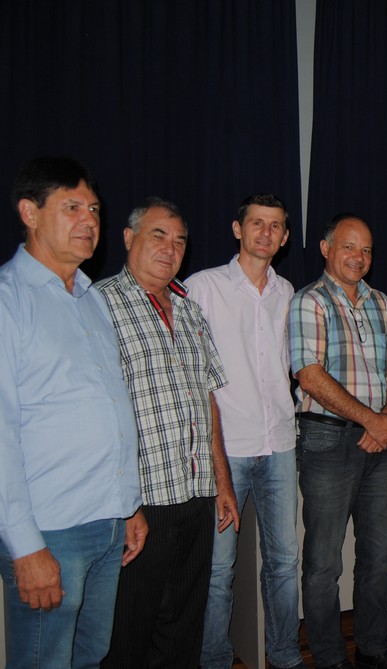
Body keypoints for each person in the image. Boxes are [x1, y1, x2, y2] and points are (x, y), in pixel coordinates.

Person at [0, 157, 146, 669]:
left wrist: (128, 506)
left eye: (95, 209)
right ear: (30, 213)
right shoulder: (8, 300)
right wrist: (25, 547)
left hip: (107, 521)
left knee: (91, 657)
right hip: (51, 530)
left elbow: (109, 406)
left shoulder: (90, 297)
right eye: (72, 207)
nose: (89, 220)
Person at [99, 197, 240, 668]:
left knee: (182, 627)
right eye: (158, 235)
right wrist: (121, 505)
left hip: (196, 495)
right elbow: (95, 414)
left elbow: (207, 401)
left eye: (180, 241)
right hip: (142, 502)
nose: (170, 248)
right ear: (128, 238)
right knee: (129, 631)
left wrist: (222, 483)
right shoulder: (99, 305)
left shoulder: (190, 310)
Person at [187, 194, 304, 669]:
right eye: (257, 223)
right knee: (217, 570)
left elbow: (292, 365)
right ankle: (213, 659)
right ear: (238, 229)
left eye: (275, 226)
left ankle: (284, 655)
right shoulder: (202, 287)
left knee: (284, 563)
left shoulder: (288, 292)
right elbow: (191, 373)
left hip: (280, 444)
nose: (265, 233)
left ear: (285, 237)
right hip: (226, 448)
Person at [289, 213, 387, 669]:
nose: (359, 257)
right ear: (326, 249)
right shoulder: (309, 301)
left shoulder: (382, 302)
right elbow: (309, 375)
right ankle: (329, 658)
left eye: (366, 250)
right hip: (328, 440)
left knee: (381, 555)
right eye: (348, 246)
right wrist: (371, 421)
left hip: (380, 440)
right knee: (324, 564)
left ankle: (373, 650)